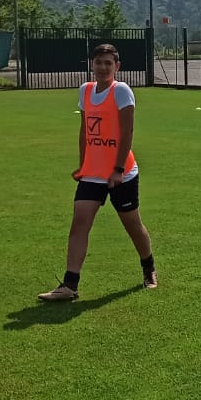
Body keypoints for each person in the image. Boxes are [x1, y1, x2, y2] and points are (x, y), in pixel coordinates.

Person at [39, 43, 156, 301]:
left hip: (121, 172)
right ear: (91, 64)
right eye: (98, 62)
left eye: (108, 63)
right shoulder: (85, 90)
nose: (103, 67)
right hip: (93, 172)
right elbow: (85, 131)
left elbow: (127, 132)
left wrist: (117, 169)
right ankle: (70, 286)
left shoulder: (121, 91)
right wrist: (83, 164)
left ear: (117, 66)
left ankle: (148, 267)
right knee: (80, 222)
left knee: (132, 224)